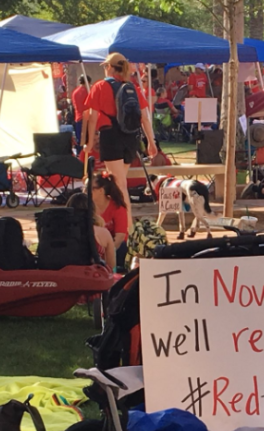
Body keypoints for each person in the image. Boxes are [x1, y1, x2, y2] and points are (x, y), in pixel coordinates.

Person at [85, 52, 158, 225]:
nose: (104, 69)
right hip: (130, 138)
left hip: (111, 136)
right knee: (119, 181)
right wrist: (151, 142)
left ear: (110, 67)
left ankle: (126, 226)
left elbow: (92, 117)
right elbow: (145, 118)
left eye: (105, 66)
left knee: (119, 185)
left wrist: (88, 142)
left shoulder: (100, 86)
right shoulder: (132, 87)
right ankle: (117, 221)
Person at [91, 171, 128, 269]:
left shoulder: (117, 208)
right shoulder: (87, 206)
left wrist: (106, 251)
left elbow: (120, 237)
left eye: (91, 188)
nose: (86, 191)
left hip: (115, 246)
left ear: (101, 191)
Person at [71, 75, 91, 147]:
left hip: (78, 118)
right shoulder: (88, 91)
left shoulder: (74, 92)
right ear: (87, 82)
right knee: (88, 142)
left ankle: (80, 157)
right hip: (87, 119)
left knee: (80, 142)